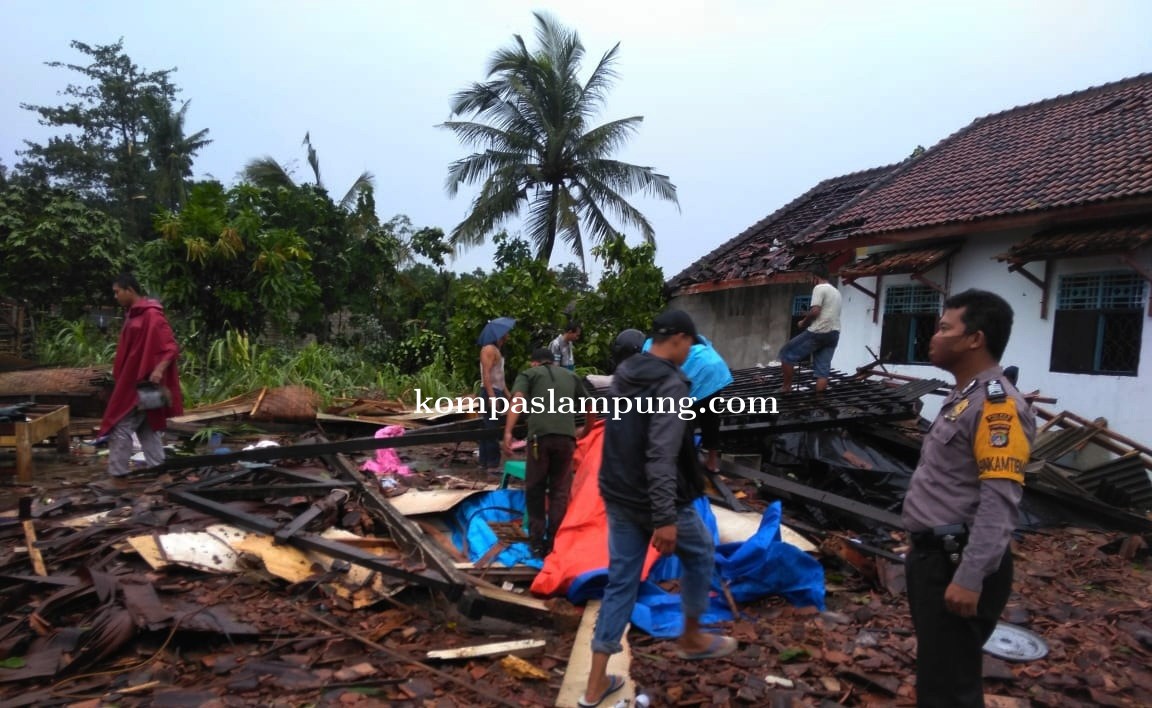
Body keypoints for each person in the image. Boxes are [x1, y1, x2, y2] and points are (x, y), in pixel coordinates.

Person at [581, 310, 737, 708]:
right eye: (691, 344)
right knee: (701, 553)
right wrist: (665, 518)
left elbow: (613, 435)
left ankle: (595, 685)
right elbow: (661, 455)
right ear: (682, 340)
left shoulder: (626, 372)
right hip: (656, 501)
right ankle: (691, 637)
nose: (691, 351)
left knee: (621, 582)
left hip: (618, 495)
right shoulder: (670, 385)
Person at [902, 289, 1035, 707]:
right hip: (936, 556)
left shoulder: (998, 408)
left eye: (944, 328)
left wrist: (970, 577)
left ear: (974, 339)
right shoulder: (964, 396)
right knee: (939, 676)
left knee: (949, 691)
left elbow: (1000, 499)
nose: (934, 336)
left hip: (956, 563)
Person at [502, 347, 595, 557]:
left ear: (534, 363)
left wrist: (508, 432)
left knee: (535, 488)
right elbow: (590, 404)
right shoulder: (571, 376)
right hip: (566, 440)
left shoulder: (529, 374)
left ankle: (536, 543)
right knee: (559, 491)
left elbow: (517, 399)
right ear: (553, 362)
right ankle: (554, 542)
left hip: (539, 440)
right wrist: (585, 431)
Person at [97, 273, 183, 477]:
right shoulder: (133, 314)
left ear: (130, 290)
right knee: (147, 426)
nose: (116, 296)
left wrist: (159, 370)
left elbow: (170, 347)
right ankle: (158, 469)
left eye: (117, 292)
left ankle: (118, 475)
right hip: (131, 380)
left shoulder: (152, 314)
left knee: (121, 426)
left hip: (141, 383)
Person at [644, 333, 733, 473]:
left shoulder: (648, 350)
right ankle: (711, 463)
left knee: (683, 422)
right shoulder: (665, 338)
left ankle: (683, 465)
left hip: (699, 373)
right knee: (710, 419)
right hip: (715, 368)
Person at [779, 265, 842, 393]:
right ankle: (819, 401)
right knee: (822, 370)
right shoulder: (836, 292)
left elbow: (815, 311)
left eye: (811, 278)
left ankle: (786, 388)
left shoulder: (819, 288)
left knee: (786, 354)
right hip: (834, 334)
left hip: (819, 331)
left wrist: (803, 322)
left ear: (815, 277)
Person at [478, 333, 508, 472]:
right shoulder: (488, 350)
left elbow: (499, 377)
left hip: (497, 391)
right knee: (491, 428)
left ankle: (485, 462)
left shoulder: (496, 351)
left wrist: (508, 395)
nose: (507, 336)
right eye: (505, 334)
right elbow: (486, 375)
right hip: (491, 392)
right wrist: (492, 396)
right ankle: (492, 464)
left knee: (489, 426)